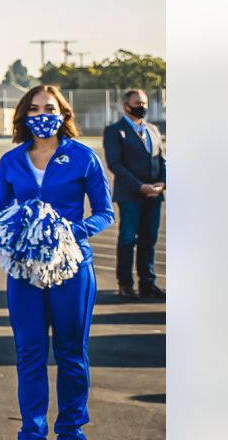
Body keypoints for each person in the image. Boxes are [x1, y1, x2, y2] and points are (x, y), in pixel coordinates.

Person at [0, 85, 114, 440]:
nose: (42, 115)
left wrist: (71, 230)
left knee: (71, 352)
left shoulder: (83, 157)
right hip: (24, 270)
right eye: (33, 109)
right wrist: (18, 229)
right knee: (29, 352)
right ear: (24, 116)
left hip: (72, 268)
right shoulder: (11, 161)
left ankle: (71, 430)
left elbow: (105, 213)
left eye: (49, 107)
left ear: (63, 114)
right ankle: (32, 431)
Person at [102, 89, 166, 301]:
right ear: (126, 105)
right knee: (128, 239)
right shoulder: (114, 131)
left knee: (149, 239)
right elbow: (115, 164)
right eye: (138, 102)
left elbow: (162, 159)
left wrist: (162, 183)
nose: (142, 106)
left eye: (144, 102)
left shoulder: (153, 130)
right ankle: (125, 285)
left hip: (154, 196)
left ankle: (147, 283)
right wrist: (140, 186)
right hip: (130, 195)